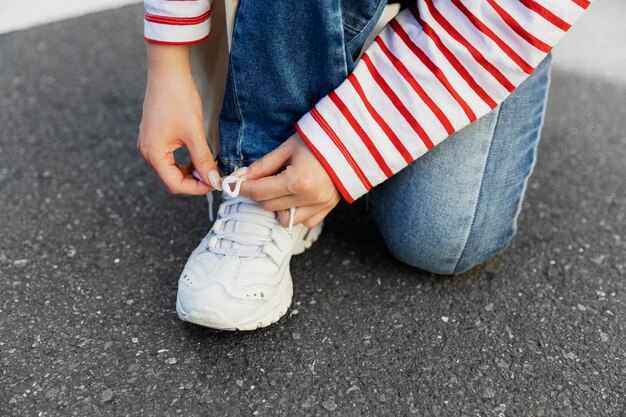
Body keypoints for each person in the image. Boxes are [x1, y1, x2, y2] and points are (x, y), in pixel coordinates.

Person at [137, 0, 591, 330]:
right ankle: (264, 169)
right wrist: (167, 63)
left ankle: (349, 57)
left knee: (441, 238)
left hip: (489, 17)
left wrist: (342, 149)